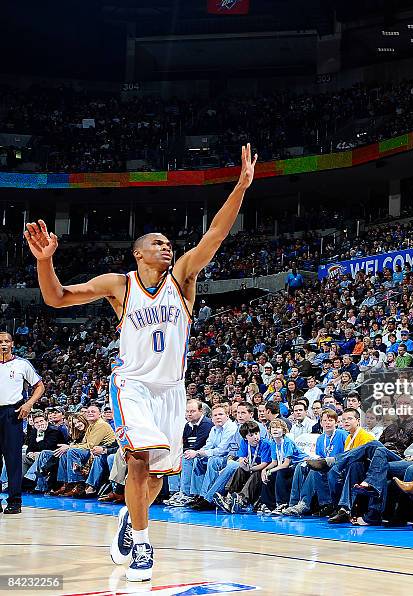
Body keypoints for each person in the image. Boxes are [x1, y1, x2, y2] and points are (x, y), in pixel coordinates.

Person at [24, 143, 257, 581]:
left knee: (156, 479)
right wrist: (46, 261)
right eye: (157, 242)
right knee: (137, 461)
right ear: (138, 253)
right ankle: (145, 549)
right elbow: (56, 297)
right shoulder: (119, 284)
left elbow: (216, 236)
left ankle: (131, 522)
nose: (166, 246)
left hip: (172, 390)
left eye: (169, 242)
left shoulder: (183, 279)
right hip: (132, 385)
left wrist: (240, 187)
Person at [0, 332, 45, 514]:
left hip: (13, 413)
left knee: (13, 460)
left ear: (12, 344)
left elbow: (40, 386)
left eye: (6, 341)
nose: (3, 344)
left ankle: (15, 501)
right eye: (0, 341)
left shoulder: (22, 364)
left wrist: (29, 403)